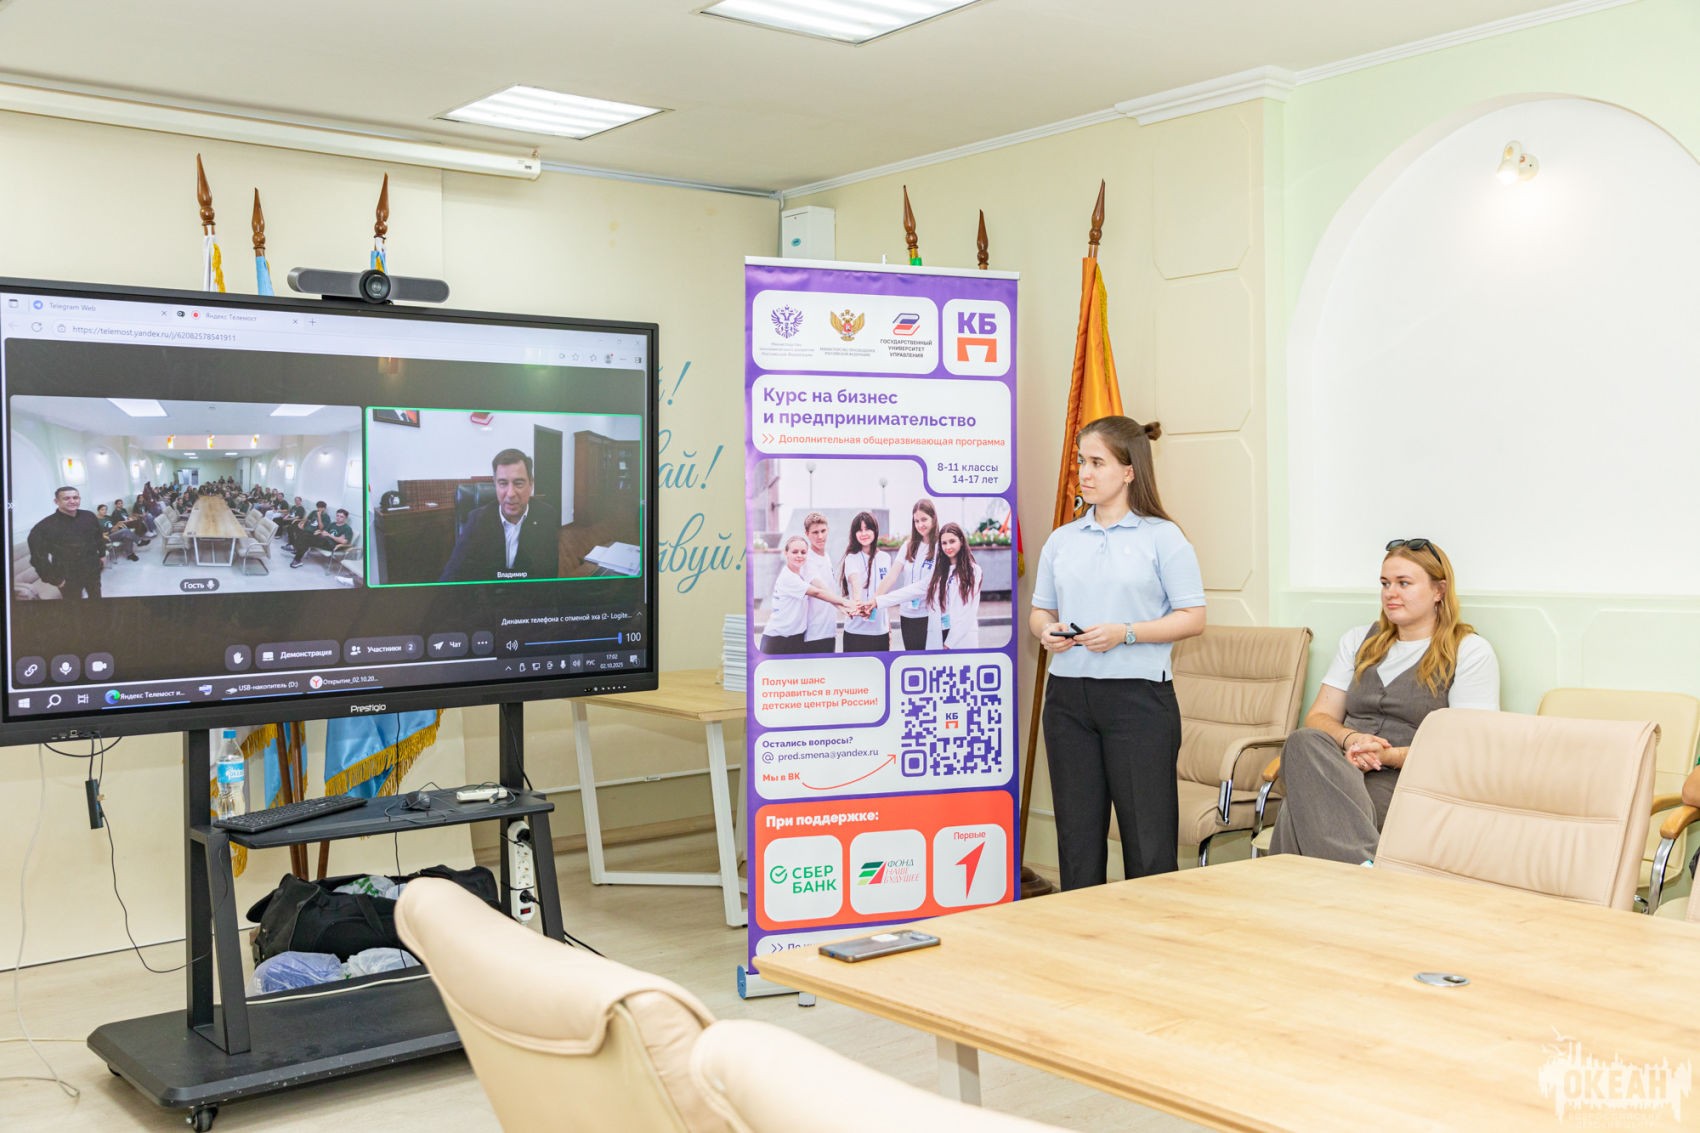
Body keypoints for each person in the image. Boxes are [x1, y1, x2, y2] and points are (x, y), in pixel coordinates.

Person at [1031, 416, 1206, 889]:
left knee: (1148, 844)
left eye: (1096, 463)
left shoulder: (1163, 537)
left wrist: (1125, 633)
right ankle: (1083, 929)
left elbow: (1193, 617)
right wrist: (1046, 631)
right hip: (1068, 700)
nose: (1084, 474)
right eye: (1081, 462)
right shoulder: (1062, 540)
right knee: (1077, 839)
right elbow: (1040, 611)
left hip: (1138, 702)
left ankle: (1150, 932)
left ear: (1129, 471)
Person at [1267, 539, 1499, 864]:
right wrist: (1352, 739)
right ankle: (1364, 866)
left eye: (1404, 583)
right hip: (1342, 767)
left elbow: (1465, 748)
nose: (1391, 593)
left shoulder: (1469, 651)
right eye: (1385, 583)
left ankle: (1304, 879)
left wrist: (1386, 755)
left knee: (1301, 806)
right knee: (1303, 741)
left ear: (1439, 590)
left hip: (1408, 781)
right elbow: (1319, 716)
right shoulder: (1358, 640)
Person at [440, 448, 561, 581]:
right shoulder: (477, 519)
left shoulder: (546, 516)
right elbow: (451, 576)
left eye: (518, 483)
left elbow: (548, 574)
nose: (510, 494)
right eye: (503, 484)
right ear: (495, 484)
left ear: (531, 484)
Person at [760, 536, 853, 654]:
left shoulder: (801, 576)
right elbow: (817, 593)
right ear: (786, 553)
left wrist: (841, 607)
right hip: (778, 640)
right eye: (795, 552)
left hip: (795, 638)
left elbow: (823, 593)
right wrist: (847, 603)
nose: (799, 555)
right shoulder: (788, 578)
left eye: (803, 552)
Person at [872, 498, 939, 650]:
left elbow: (927, 586)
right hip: (907, 614)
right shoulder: (908, 546)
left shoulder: (939, 547)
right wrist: (874, 600)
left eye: (924, 519)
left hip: (929, 614)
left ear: (933, 518)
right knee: (911, 656)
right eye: (916, 521)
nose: (920, 525)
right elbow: (891, 576)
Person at [28, 486, 106, 599]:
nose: (72, 501)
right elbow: (38, 559)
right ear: (56, 501)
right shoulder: (43, 527)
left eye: (75, 497)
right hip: (67, 576)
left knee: (96, 598)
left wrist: (102, 554)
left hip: (92, 568)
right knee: (74, 606)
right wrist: (55, 580)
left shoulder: (89, 516)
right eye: (66, 498)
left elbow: (98, 537)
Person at [837, 512, 893, 652]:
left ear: (875, 530)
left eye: (867, 529)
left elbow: (884, 594)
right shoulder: (851, 558)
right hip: (855, 631)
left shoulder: (885, 558)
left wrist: (888, 627)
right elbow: (855, 581)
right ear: (854, 534)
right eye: (859, 530)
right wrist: (858, 603)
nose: (864, 534)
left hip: (880, 631)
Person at [799, 511, 839, 653]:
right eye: (815, 532)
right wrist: (844, 605)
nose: (820, 536)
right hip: (814, 634)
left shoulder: (826, 556)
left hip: (829, 630)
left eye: (823, 531)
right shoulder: (807, 559)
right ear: (807, 534)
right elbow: (822, 590)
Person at [289, 507, 355, 568]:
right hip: (324, 540)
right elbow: (324, 533)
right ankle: (297, 553)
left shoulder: (347, 528)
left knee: (306, 539)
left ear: (345, 518)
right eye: (337, 516)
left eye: (341, 517)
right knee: (305, 533)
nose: (338, 518)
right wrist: (325, 534)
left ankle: (296, 555)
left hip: (331, 545)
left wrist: (329, 535)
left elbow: (344, 542)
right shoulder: (333, 524)